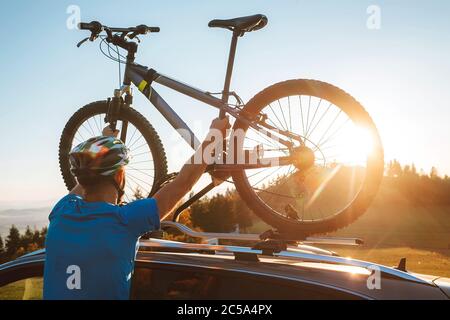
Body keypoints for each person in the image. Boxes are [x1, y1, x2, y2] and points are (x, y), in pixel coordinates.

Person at [43, 117, 230, 300]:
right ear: (119, 177)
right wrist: (214, 135)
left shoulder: (62, 213)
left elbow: (86, 177)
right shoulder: (124, 221)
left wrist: (99, 148)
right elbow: (184, 182)